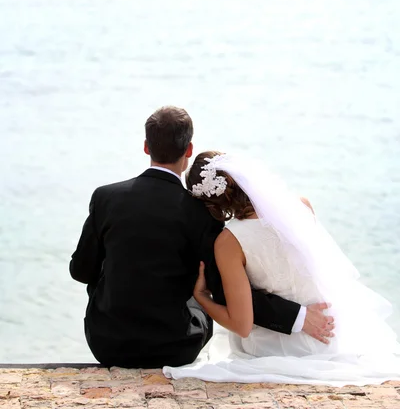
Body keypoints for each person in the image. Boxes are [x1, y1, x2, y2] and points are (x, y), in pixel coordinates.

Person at [69, 107, 333, 368]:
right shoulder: (201, 213)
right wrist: (295, 317)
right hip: (176, 347)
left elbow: (81, 271)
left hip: (107, 344)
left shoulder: (105, 197)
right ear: (189, 150)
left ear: (146, 147)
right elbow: (224, 290)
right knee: (202, 282)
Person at [164, 151, 400, 385]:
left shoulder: (229, 241)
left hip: (276, 347)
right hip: (330, 335)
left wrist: (202, 297)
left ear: (210, 203)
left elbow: (242, 326)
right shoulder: (301, 206)